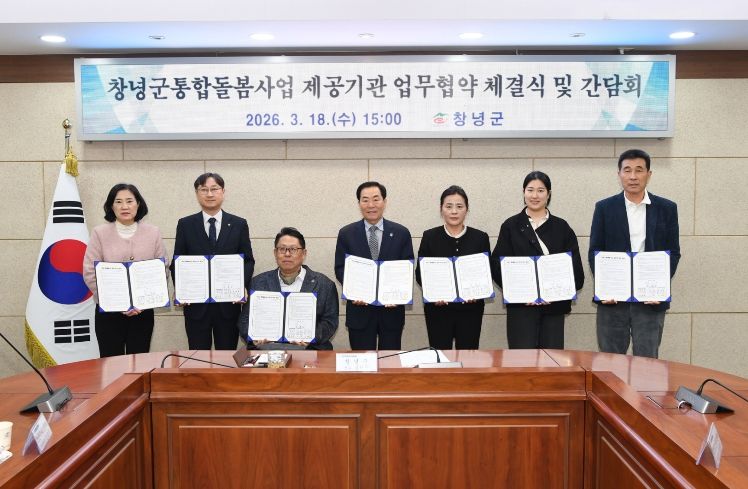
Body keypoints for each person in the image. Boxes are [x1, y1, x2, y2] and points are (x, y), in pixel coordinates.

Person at [589, 149, 680, 358]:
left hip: (650, 301)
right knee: (611, 361)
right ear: (619, 174)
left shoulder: (667, 208)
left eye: (639, 170)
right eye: (627, 170)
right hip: (613, 300)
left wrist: (659, 287)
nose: (633, 176)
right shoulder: (604, 208)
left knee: (647, 361)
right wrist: (605, 288)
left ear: (649, 174)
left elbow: (673, 252)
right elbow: (595, 251)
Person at [492, 171, 584, 349]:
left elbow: (576, 272)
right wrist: (522, 292)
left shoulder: (562, 227)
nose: (535, 195)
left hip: (554, 308)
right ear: (523, 192)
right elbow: (497, 266)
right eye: (530, 190)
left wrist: (555, 292)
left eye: (541, 190)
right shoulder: (510, 226)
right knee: (523, 360)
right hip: (521, 308)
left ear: (549, 194)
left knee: (552, 360)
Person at [170, 172, 255, 350]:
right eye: (204, 190)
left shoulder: (239, 224)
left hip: (228, 305)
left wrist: (241, 286)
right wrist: (182, 290)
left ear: (223, 192)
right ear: (197, 193)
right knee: (198, 356)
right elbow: (178, 262)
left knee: (226, 356)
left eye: (214, 189)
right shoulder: (185, 224)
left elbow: (248, 260)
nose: (209, 194)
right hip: (196, 306)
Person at [83, 183, 167, 357]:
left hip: (142, 312)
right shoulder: (99, 233)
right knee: (110, 363)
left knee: (140, 362)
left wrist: (143, 302)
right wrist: (116, 302)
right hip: (109, 313)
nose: (124, 206)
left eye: (129, 201)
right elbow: (90, 272)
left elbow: (162, 269)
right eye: (118, 202)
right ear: (111, 206)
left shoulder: (153, 232)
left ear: (138, 204)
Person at [334, 181, 414, 350]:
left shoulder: (401, 233)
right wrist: (354, 290)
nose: (371, 205)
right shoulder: (346, 234)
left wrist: (397, 295)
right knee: (362, 361)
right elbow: (340, 267)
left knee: (390, 361)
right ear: (359, 203)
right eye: (365, 200)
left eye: (376, 199)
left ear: (385, 201)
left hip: (391, 312)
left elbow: (406, 268)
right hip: (359, 311)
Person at [415, 185, 491, 349]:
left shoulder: (480, 238)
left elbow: (486, 272)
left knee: (469, 354)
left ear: (467, 209)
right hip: (438, 310)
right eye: (448, 206)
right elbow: (420, 273)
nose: (454, 211)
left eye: (459, 206)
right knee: (441, 355)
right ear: (441, 209)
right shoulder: (430, 237)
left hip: (471, 309)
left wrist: (477, 292)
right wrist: (434, 293)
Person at [237, 227, 338, 350]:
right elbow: (244, 320)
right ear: (275, 253)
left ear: (304, 253)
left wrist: (309, 337)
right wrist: (254, 338)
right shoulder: (257, 283)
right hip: (267, 351)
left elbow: (330, 322)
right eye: (282, 249)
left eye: (293, 249)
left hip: (310, 350)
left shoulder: (325, 285)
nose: (287, 254)